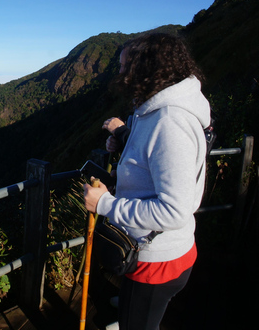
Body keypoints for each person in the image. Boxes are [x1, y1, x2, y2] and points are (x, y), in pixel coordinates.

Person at [84, 33, 210, 330]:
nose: (120, 72)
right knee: (135, 303)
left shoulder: (169, 122)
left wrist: (105, 204)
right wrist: (124, 142)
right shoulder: (150, 109)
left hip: (158, 261)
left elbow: (174, 210)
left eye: (125, 65)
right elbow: (153, 161)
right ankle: (133, 303)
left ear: (148, 69)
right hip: (153, 252)